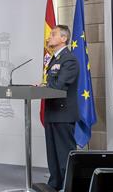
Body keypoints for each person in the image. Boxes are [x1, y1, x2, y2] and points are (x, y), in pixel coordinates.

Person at [44, 25, 79, 191]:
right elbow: (51, 83)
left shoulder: (69, 59)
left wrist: (45, 86)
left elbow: (59, 86)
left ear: (64, 38)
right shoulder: (55, 59)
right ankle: (55, 184)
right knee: (53, 154)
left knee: (64, 153)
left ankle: (69, 186)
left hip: (63, 113)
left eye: (53, 34)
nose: (49, 37)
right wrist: (42, 86)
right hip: (52, 112)